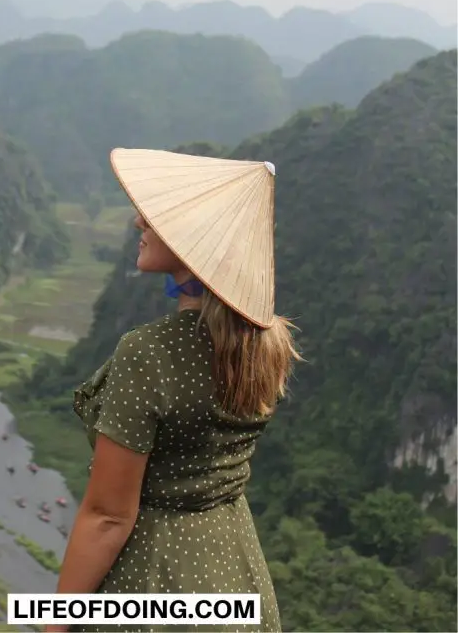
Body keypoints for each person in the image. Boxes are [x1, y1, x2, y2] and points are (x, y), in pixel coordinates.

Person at [46, 148, 301, 633]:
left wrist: (54, 624)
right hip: (237, 573)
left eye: (158, 216)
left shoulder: (148, 352)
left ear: (194, 242)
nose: (140, 220)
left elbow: (106, 516)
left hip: (156, 582)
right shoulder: (267, 344)